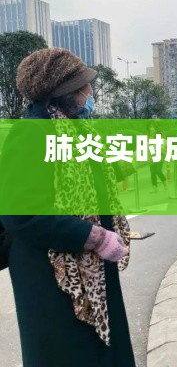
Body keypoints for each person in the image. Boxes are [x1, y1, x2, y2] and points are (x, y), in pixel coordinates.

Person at [0, 48, 135, 367]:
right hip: (53, 276)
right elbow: (22, 215)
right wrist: (96, 237)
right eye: (84, 87)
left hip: (91, 267)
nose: (90, 92)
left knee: (103, 348)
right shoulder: (31, 135)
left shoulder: (73, 129)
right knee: (70, 352)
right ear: (63, 92)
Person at [148, 120, 168, 193]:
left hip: (160, 155)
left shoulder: (159, 136)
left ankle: (165, 182)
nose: (151, 129)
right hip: (151, 156)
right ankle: (154, 188)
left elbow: (164, 143)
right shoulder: (148, 137)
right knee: (152, 173)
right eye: (150, 127)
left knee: (158, 171)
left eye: (152, 127)